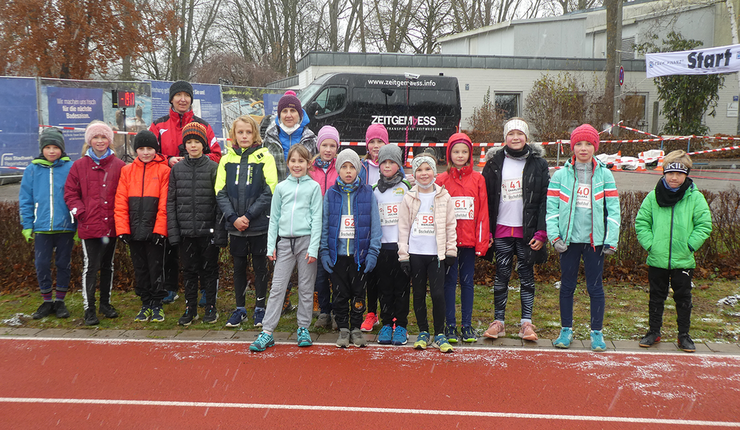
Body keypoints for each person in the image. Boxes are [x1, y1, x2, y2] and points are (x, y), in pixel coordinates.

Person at [546, 124, 620, 351]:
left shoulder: (605, 175)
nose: (583, 148)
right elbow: (551, 209)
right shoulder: (559, 175)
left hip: (595, 243)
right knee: (567, 286)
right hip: (568, 243)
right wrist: (554, 237)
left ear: (595, 147)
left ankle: (597, 333)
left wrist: (611, 239)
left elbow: (613, 210)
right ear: (572, 147)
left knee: (595, 287)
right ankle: (565, 330)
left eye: (588, 144)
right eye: (578, 143)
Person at [149, 80, 221, 305]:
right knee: (171, 237)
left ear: (191, 99)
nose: (182, 99)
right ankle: (170, 287)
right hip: (166, 188)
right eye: (178, 95)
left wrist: (194, 161)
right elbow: (148, 153)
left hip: (198, 191)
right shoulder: (157, 125)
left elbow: (217, 155)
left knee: (201, 244)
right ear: (171, 99)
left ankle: (205, 290)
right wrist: (168, 160)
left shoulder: (203, 125)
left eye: (186, 95)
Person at [635, 150, 712, 353]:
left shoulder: (695, 197)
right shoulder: (653, 197)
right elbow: (642, 222)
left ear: (687, 174)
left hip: (683, 260)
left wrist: (689, 246)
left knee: (683, 298)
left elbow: (704, 225)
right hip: (657, 258)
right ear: (664, 173)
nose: (674, 177)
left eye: (679, 173)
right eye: (670, 173)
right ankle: (654, 331)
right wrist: (651, 245)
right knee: (656, 296)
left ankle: (683, 335)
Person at [250, 145, 323, 352]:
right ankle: (267, 331)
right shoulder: (281, 188)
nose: (297, 165)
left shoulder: (314, 187)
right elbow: (274, 219)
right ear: (287, 163)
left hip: (306, 242)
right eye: (293, 161)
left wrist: (314, 248)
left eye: (301, 161)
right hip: (284, 244)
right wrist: (270, 245)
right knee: (277, 288)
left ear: (308, 164)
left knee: (306, 288)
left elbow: (317, 219)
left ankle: (303, 328)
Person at [481, 119, 549, 342]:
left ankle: (525, 323)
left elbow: (543, 201)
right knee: (501, 275)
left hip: (527, 232)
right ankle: (498, 321)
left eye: (520, 133)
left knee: (526, 277)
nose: (516, 137)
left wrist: (541, 232)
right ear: (505, 138)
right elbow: (486, 200)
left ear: (526, 138)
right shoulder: (493, 163)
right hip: (500, 230)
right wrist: (486, 231)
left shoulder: (538, 164)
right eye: (511, 134)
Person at [216, 115, 278, 328]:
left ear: (255, 135)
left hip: (258, 225)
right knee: (239, 268)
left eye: (248, 132)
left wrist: (249, 216)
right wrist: (234, 218)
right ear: (233, 135)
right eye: (240, 132)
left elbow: (270, 189)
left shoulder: (264, 157)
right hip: (236, 228)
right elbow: (220, 191)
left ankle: (260, 308)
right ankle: (240, 308)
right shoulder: (226, 159)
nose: (244, 136)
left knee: (261, 268)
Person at [65, 121, 125, 325]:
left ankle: (105, 304)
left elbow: (124, 194)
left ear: (110, 140)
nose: (100, 141)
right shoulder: (79, 165)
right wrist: (81, 213)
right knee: (91, 267)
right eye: (96, 137)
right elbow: (70, 194)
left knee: (108, 266)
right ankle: (89, 308)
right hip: (90, 226)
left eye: (104, 137)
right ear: (89, 140)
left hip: (111, 226)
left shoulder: (119, 165)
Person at [320, 149, 381, 348]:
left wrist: (372, 252)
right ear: (338, 170)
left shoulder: (367, 193)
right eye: (344, 167)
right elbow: (325, 223)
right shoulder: (331, 194)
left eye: (352, 167)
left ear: (358, 170)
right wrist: (324, 251)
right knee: (339, 294)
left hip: (359, 256)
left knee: (358, 294)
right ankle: (343, 329)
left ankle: (356, 328)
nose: (348, 171)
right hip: (337, 256)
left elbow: (375, 225)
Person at [398, 151, 457, 353]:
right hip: (415, 254)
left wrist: (451, 251)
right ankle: (423, 331)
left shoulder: (443, 196)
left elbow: (450, 224)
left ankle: (439, 333)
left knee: (438, 294)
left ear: (434, 171)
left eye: (428, 169)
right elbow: (403, 228)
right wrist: (403, 255)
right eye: (419, 170)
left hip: (437, 255)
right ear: (414, 174)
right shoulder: (408, 197)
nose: (424, 173)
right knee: (419, 293)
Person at [167, 122, 225, 326]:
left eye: (197, 142)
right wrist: (174, 232)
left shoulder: (213, 168)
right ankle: (190, 308)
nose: (193, 146)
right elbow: (171, 202)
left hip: (207, 232)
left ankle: (211, 306)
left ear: (204, 144)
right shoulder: (177, 170)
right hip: (185, 233)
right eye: (189, 142)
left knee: (209, 270)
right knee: (189, 271)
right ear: (184, 145)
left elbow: (220, 202)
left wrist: (218, 232)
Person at [436, 133, 490, 344]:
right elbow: (437, 212)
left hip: (469, 242)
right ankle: (450, 325)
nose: (460, 155)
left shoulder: (478, 179)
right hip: (449, 243)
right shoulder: (441, 180)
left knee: (467, 283)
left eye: (464, 152)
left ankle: (466, 326)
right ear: (449, 154)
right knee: (449, 283)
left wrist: (481, 241)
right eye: (456, 151)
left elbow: (483, 212)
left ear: (470, 154)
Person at [115, 130, 171, 323]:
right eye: (141, 148)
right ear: (136, 150)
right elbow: (120, 202)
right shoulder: (127, 171)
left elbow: (164, 204)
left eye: (149, 148)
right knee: (140, 269)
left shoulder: (164, 171)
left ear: (155, 149)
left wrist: (160, 230)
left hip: (154, 232)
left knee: (156, 268)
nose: (146, 152)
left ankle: (157, 304)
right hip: (133, 230)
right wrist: (122, 229)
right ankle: (145, 303)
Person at [20, 128, 76, 321]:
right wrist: (27, 224)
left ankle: (60, 301)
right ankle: (46, 300)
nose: (52, 151)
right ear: (42, 149)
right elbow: (25, 199)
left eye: (56, 147)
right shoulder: (32, 170)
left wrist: (77, 224)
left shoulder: (71, 168)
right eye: (48, 147)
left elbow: (77, 197)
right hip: (42, 227)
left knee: (63, 264)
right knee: (42, 264)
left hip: (65, 227)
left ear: (62, 149)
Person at [372, 144, 412, 345]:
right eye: (384, 162)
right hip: (381, 249)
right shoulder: (374, 191)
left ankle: (402, 326)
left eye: (392, 162)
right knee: (385, 289)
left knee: (401, 289)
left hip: (401, 249)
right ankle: (387, 323)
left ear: (399, 164)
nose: (387, 166)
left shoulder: (406, 188)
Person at [309, 125, 340, 330]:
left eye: (332, 145)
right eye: (324, 145)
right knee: (320, 274)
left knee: (337, 273)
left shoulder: (342, 166)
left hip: (337, 228)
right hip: (316, 228)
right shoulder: (311, 169)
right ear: (318, 146)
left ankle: (338, 311)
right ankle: (324, 312)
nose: (328, 149)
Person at [359, 123, 389, 332]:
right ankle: (371, 313)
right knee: (370, 273)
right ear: (367, 145)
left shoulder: (392, 165)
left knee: (387, 276)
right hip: (367, 230)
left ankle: (389, 314)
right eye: (373, 142)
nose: (376, 146)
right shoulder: (361, 168)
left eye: (380, 142)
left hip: (388, 231)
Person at [263, 90, 317, 182]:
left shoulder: (310, 139)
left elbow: (315, 170)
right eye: (284, 111)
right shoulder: (270, 138)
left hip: (303, 192)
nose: (288, 115)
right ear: (279, 115)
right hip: (276, 192)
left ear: (299, 114)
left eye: (293, 110)